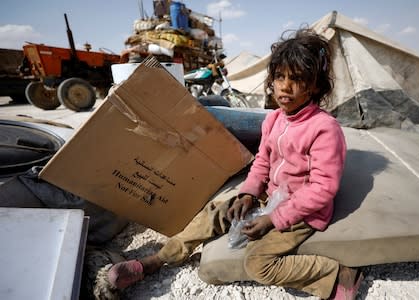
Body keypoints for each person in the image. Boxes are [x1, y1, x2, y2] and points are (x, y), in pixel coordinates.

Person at [105, 28, 362, 299]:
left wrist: (273, 219)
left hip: (303, 212)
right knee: (215, 213)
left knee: (258, 263)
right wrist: (248, 193)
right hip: (271, 195)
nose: (285, 86)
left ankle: (337, 275)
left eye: (297, 79)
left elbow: (323, 189)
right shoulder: (274, 119)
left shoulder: (324, 128)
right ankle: (156, 260)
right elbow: (262, 161)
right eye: (279, 77)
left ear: (316, 86)